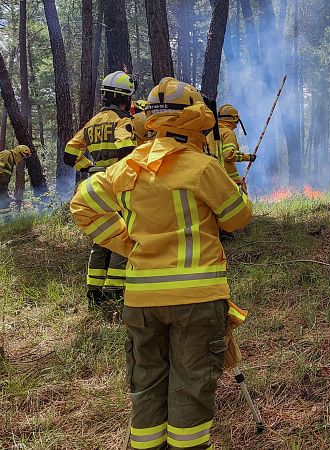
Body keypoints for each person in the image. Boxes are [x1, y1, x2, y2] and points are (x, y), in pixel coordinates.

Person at [70, 76, 253, 449]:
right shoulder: (202, 167)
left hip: (141, 302)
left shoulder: (129, 167)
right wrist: (232, 189)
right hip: (197, 302)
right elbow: (238, 218)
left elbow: (82, 205)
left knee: (147, 387)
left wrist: (127, 243)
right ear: (193, 119)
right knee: (191, 385)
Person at [64, 70, 137, 307]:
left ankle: (94, 291)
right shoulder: (122, 121)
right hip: (117, 183)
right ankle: (115, 290)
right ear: (126, 98)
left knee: (102, 237)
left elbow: (69, 153)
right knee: (122, 233)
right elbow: (127, 150)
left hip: (94, 186)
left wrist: (91, 168)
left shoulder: (93, 122)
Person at [209, 104, 256, 185]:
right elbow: (229, 155)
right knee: (241, 194)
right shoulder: (228, 133)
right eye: (236, 121)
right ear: (233, 119)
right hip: (227, 176)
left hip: (212, 175)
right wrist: (248, 157)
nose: (236, 124)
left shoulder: (211, 133)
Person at [0, 145, 32, 209]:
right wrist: (2, 178)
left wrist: (5, 190)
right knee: (5, 205)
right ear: (18, 152)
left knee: (4, 205)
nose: (21, 159)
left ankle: (7, 218)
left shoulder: (11, 162)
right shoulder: (7, 153)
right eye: (22, 156)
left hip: (2, 188)